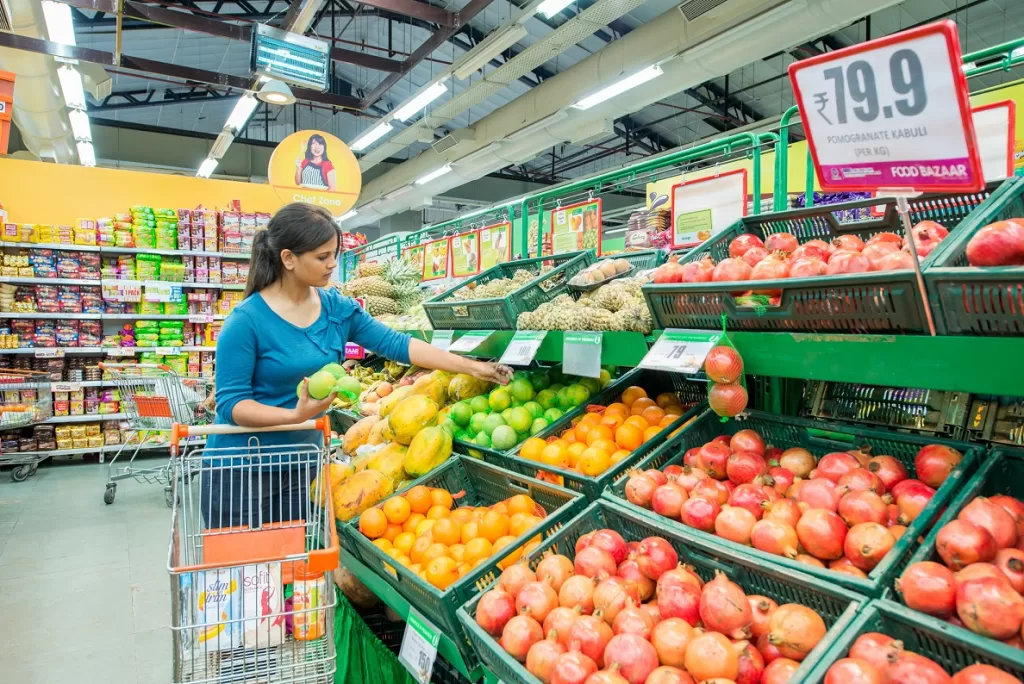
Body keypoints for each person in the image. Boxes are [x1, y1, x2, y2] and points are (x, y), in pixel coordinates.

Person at [202, 202, 510, 528]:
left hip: (302, 465)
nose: (332, 264)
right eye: (322, 257)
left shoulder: (337, 308)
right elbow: (233, 403)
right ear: (288, 258)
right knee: (245, 573)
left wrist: (471, 366)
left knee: (293, 571)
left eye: (334, 253)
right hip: (241, 470)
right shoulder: (246, 321)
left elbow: (398, 344)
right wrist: (296, 416)